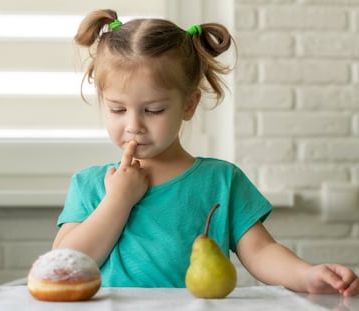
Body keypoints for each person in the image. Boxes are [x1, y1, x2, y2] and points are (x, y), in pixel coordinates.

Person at [52, 9, 359, 296]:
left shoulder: (222, 180)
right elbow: (63, 266)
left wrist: (307, 275)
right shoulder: (90, 184)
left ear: (189, 104)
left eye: (154, 110)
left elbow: (261, 252)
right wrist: (118, 200)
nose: (134, 125)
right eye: (117, 109)